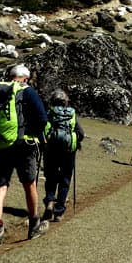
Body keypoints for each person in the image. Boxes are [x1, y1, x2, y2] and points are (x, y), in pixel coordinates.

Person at [0, 64, 48, 249]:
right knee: (29, 184)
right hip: (24, 144)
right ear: (24, 78)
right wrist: (34, 132)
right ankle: (34, 224)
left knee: (0, 188)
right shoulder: (26, 91)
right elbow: (42, 119)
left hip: (0, 144)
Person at [42, 89, 84, 222]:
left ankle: (49, 202)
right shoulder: (72, 114)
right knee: (65, 180)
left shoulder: (49, 113)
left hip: (51, 151)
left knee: (50, 177)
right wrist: (75, 142)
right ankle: (59, 211)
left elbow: (43, 130)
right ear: (66, 101)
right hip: (68, 152)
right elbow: (81, 133)